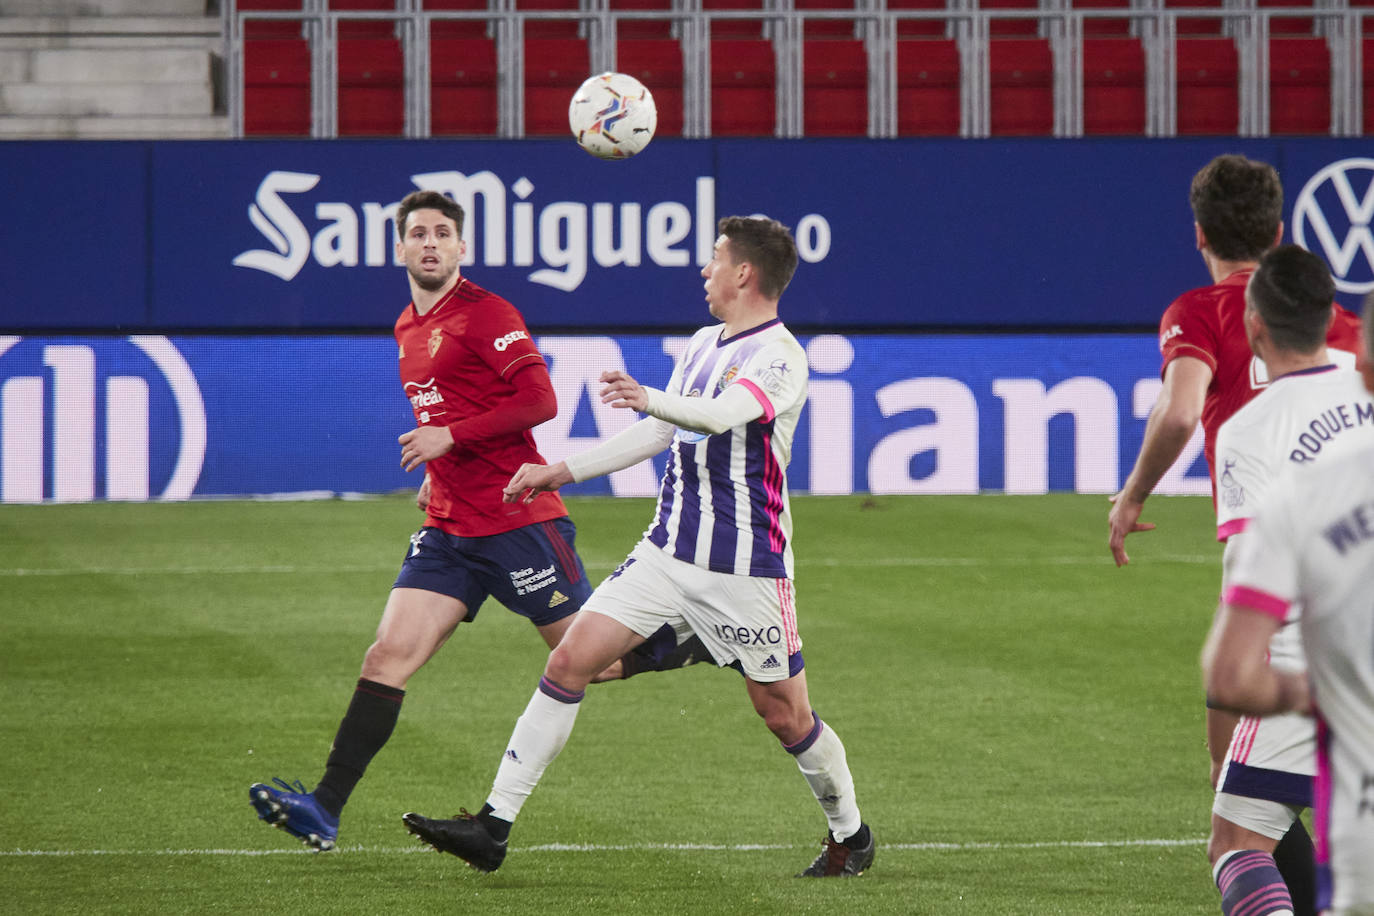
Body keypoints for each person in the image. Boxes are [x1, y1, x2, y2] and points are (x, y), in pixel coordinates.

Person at [400, 215, 875, 878]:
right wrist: (558, 471)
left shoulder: (782, 357)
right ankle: (493, 826)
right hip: (666, 553)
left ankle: (850, 835)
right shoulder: (705, 342)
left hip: (746, 571)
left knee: (785, 716)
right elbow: (661, 436)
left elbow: (716, 416)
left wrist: (648, 396)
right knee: (572, 663)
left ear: (744, 273)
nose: (703, 271)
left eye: (713, 259)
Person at [248, 189, 705, 852]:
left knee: (588, 663)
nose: (430, 243)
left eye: (442, 233)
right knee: (386, 656)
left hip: (517, 518)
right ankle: (325, 808)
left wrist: (449, 439)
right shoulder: (407, 326)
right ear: (400, 248)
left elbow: (540, 398)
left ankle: (690, 644)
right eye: (418, 234)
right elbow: (451, 412)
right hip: (449, 530)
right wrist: (442, 469)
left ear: (463, 247)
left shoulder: (488, 314)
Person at [1108, 154, 1362, 913]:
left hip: (1289, 612)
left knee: (1236, 810)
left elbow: (1181, 412)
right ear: (1283, 232)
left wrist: (1130, 497)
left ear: (1198, 234)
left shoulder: (1205, 319)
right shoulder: (1344, 335)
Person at [1204, 246, 1374, 915]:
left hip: (1316, 663)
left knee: (1239, 840)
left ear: (1253, 325)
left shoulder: (1248, 432)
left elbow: (1247, 584)